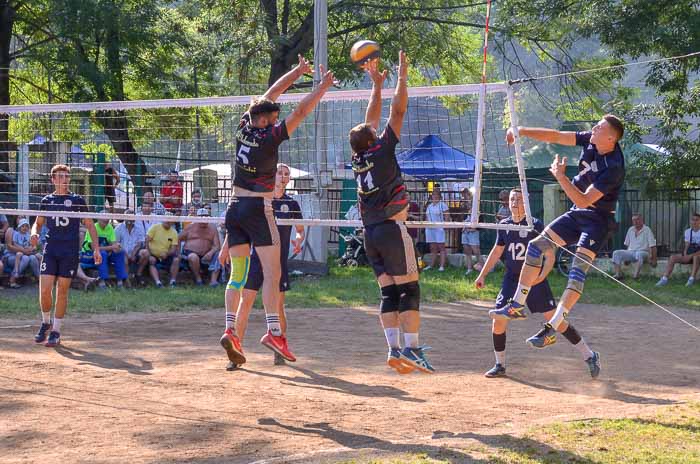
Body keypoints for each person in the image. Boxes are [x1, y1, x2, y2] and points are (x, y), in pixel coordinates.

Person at [217, 54, 335, 368]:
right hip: (258, 208)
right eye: (273, 117)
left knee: (237, 276)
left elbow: (270, 95)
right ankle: (273, 332)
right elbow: (301, 110)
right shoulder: (269, 138)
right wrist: (322, 87)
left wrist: (296, 72)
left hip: (234, 208)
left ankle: (230, 329)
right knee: (274, 273)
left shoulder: (245, 124)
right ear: (267, 120)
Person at [492, 115, 627, 378]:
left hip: (597, 220)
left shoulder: (614, 167)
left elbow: (586, 200)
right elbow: (555, 135)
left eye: (600, 127)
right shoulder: (591, 139)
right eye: (596, 124)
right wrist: (521, 130)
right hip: (579, 213)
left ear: (611, 138)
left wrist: (560, 177)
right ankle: (517, 303)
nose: (594, 128)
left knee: (576, 272)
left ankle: (552, 328)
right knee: (535, 245)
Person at [349, 52, 434, 374]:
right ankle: (412, 350)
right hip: (392, 229)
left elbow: (369, 122)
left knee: (389, 292)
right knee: (410, 289)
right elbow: (398, 111)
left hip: (370, 234)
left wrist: (376, 86)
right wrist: (401, 78)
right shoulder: (382, 149)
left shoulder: (358, 158)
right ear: (373, 139)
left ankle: (393, 349)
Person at [476, 189, 597, 378]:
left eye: (518, 199)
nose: (514, 202)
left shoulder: (535, 225)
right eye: (511, 199)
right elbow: (497, 251)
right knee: (498, 321)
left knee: (556, 320)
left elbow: (550, 254)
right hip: (512, 279)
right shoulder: (504, 225)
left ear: (527, 202)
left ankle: (589, 355)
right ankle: (500, 364)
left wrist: (542, 274)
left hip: (535, 279)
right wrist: (482, 275)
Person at [232, 164, 305, 368]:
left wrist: (299, 239)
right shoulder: (260, 201)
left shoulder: (291, 204)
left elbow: (300, 229)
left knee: (278, 306)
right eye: (279, 173)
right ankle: (236, 351)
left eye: (286, 174)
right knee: (245, 302)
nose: (282, 176)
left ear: (289, 179)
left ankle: (280, 347)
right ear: (271, 176)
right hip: (256, 258)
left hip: (278, 261)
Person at [30, 164, 102, 347]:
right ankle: (45, 322)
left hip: (69, 251)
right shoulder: (47, 200)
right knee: (45, 289)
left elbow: (90, 225)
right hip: (51, 249)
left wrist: (96, 249)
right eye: (60, 177)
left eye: (67, 177)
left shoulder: (77, 200)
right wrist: (34, 233)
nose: (64, 180)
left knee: (62, 290)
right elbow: (37, 223)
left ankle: (56, 330)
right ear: (53, 180)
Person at [81, 212, 128, 289]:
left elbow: (114, 244)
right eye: (104, 220)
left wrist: (116, 247)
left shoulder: (109, 228)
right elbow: (94, 248)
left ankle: (121, 281)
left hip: (105, 253)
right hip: (88, 255)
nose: (106, 222)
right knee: (102, 254)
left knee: (120, 253)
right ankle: (102, 281)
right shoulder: (93, 228)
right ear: (98, 219)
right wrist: (111, 247)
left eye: (107, 220)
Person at [656, 212, 700, 287]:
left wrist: (691, 255)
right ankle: (664, 279)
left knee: (696, 257)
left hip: (697, 254)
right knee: (673, 257)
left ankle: (691, 279)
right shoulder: (688, 231)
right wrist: (685, 254)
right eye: (693, 220)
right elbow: (687, 246)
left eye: (696, 220)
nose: (694, 222)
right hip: (690, 253)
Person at [179, 208, 220, 286]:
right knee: (193, 257)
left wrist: (210, 253)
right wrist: (178, 253)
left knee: (218, 254)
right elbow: (178, 239)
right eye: (201, 217)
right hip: (190, 253)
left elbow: (217, 246)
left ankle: (213, 281)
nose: (203, 220)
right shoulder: (190, 227)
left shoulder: (213, 228)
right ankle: (198, 279)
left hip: (206, 255)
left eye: (205, 217)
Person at [612, 213, 657, 280]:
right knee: (616, 253)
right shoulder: (630, 229)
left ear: (642, 220)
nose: (636, 221)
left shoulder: (647, 229)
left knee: (639, 254)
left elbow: (653, 246)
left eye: (637, 219)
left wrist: (654, 259)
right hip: (631, 252)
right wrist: (627, 258)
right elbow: (627, 245)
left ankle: (636, 276)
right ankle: (618, 274)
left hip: (643, 252)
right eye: (634, 220)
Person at [3, 218, 41, 288]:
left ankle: (40, 279)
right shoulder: (11, 230)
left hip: (25, 253)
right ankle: (13, 279)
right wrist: (24, 250)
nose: (25, 228)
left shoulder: (28, 233)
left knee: (33, 258)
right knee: (25, 258)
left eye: (26, 226)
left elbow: (32, 244)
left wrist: (31, 248)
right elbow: (10, 246)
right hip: (13, 255)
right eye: (19, 217)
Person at [145, 215, 180, 288]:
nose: (168, 221)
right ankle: (158, 283)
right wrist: (149, 253)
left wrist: (167, 254)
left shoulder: (174, 232)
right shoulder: (155, 227)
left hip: (166, 255)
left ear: (173, 222)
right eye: (166, 219)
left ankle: (172, 281)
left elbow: (173, 249)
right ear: (162, 219)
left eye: (170, 220)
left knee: (176, 259)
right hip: (153, 254)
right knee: (152, 261)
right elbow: (146, 240)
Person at [114, 208, 145, 280]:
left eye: (132, 217)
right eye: (128, 217)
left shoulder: (139, 229)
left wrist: (133, 254)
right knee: (124, 257)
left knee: (145, 253)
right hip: (123, 253)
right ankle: (127, 280)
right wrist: (127, 255)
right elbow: (116, 244)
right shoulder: (118, 228)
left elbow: (140, 243)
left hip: (135, 253)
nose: (130, 220)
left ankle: (138, 274)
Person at [458, 188, 483, 276]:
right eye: (463, 194)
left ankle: (482, 268)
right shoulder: (463, 205)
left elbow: (481, 219)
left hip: (473, 231)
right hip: (465, 230)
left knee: (476, 250)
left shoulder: (477, 204)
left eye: (466, 194)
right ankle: (469, 268)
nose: (464, 196)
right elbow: (461, 218)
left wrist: (474, 228)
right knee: (466, 250)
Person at [424, 189, 450, 272]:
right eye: (433, 195)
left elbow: (447, 216)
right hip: (430, 228)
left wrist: (444, 226)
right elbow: (427, 217)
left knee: (441, 247)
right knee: (432, 247)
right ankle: (431, 265)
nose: (434, 196)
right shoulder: (429, 206)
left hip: (439, 228)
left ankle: (442, 266)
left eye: (436, 195)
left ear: (440, 196)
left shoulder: (443, 205)